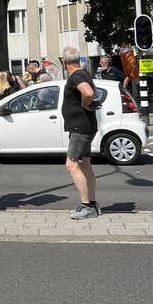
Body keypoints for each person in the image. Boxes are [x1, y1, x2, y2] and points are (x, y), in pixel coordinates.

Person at [61, 47, 102, 219]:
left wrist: (85, 103)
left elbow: (89, 92)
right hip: (85, 126)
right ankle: (93, 204)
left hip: (80, 128)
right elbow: (94, 92)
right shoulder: (84, 73)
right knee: (85, 164)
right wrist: (88, 103)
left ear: (64, 62)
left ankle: (87, 206)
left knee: (71, 165)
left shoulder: (76, 76)